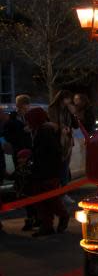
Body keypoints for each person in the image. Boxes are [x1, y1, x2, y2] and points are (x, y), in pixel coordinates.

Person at [25, 107, 69, 237]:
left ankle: (61, 217)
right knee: (43, 200)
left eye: (29, 120)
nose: (27, 123)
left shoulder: (45, 131)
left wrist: (34, 157)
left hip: (47, 172)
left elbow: (51, 152)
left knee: (49, 199)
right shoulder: (42, 129)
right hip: (44, 171)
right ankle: (47, 225)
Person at [2, 95, 36, 231]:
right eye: (24, 105)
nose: (26, 108)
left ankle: (33, 217)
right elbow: (9, 137)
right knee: (24, 187)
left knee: (29, 187)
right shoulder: (12, 120)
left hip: (28, 154)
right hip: (20, 155)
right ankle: (31, 217)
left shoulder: (26, 118)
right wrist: (23, 132)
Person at [48, 89, 76, 186]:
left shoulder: (68, 110)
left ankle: (64, 189)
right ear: (61, 99)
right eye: (67, 99)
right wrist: (62, 129)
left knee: (65, 166)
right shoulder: (53, 109)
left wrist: (73, 114)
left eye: (69, 99)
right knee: (60, 166)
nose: (69, 101)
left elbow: (76, 125)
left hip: (67, 140)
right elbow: (53, 124)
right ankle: (59, 189)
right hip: (57, 140)